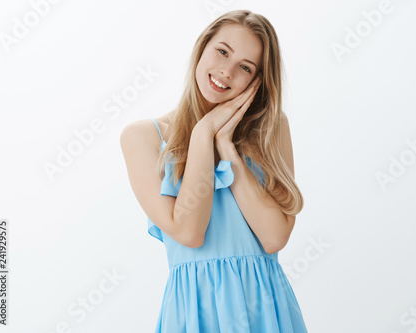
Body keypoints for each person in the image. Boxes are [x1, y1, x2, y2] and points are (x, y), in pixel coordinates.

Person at [120, 9, 307, 332]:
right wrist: (203, 133)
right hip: (195, 312)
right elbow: (190, 232)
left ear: (257, 81)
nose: (226, 72)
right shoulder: (143, 137)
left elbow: (275, 237)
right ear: (202, 46)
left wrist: (226, 146)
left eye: (245, 67)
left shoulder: (272, 128)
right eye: (222, 51)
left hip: (265, 308)